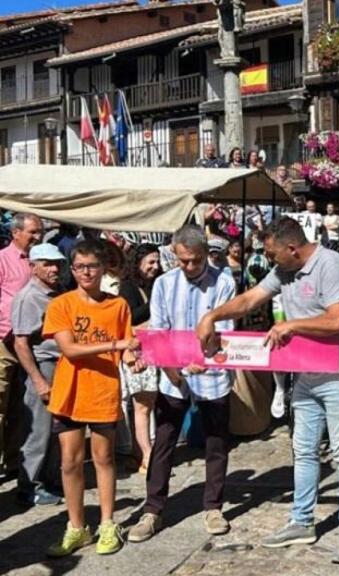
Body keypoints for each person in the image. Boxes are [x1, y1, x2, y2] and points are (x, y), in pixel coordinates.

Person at [196, 217, 339, 563]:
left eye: (273, 255)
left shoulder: (331, 265)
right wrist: (212, 316)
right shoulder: (285, 269)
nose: (270, 261)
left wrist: (292, 325)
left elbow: (337, 321)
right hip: (304, 373)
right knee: (303, 451)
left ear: (292, 248)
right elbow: (249, 300)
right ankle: (302, 520)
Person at [127, 227, 236, 543]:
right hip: (173, 373)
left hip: (211, 373)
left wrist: (205, 358)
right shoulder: (164, 283)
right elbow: (159, 331)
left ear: (206, 255)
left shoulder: (224, 282)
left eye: (195, 261)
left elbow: (224, 330)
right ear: (175, 255)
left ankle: (213, 506)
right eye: (184, 261)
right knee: (164, 441)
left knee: (216, 442)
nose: (189, 267)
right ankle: (153, 509)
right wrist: (173, 370)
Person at [43, 239, 142, 557]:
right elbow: (69, 349)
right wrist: (116, 346)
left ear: (104, 269)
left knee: (104, 459)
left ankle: (108, 523)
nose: (87, 272)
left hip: (102, 392)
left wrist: (133, 357)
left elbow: (128, 350)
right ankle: (76, 527)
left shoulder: (118, 306)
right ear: (72, 270)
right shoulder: (61, 305)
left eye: (93, 266)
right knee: (70, 462)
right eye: (80, 266)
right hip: (69, 392)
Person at [11, 244, 66, 506]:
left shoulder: (56, 293)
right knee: (39, 430)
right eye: (47, 263)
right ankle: (29, 485)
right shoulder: (28, 297)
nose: (54, 268)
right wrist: (38, 379)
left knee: (56, 428)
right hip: (43, 365)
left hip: (61, 364)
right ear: (33, 267)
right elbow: (21, 343)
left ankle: (50, 479)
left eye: (57, 263)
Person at [0, 213, 43, 475]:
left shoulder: (40, 261)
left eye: (40, 232)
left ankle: (14, 460)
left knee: (21, 404)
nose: (38, 237)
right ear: (16, 232)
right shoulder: (3, 260)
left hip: (33, 341)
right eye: (33, 232)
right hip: (5, 340)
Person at [118, 243, 163, 473]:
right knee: (142, 405)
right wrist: (154, 302)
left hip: (156, 351)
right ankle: (146, 454)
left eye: (157, 262)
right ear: (138, 263)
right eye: (150, 262)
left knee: (149, 403)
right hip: (137, 352)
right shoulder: (128, 288)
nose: (155, 267)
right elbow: (129, 319)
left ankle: (142, 450)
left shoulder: (156, 284)